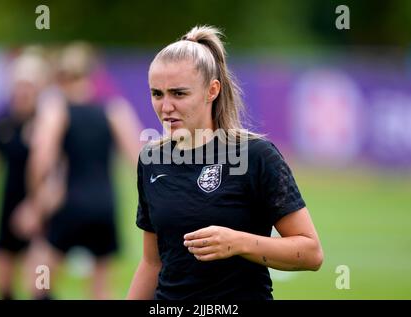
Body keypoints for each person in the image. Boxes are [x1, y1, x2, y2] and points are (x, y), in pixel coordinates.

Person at [127, 25, 323, 300]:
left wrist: (238, 242)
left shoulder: (256, 155)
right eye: (157, 94)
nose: (165, 106)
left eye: (179, 93)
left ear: (212, 90)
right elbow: (152, 263)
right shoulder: (152, 159)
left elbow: (311, 253)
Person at [17, 42, 143, 299]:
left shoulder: (56, 110)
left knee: (39, 280)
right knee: (100, 289)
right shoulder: (113, 110)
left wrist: (35, 203)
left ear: (60, 76)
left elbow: (41, 158)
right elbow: (139, 159)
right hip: (104, 205)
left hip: (68, 204)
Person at [0, 49, 50, 299]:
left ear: (40, 86)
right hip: (8, 207)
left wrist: (36, 206)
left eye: (28, 85)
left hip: (41, 211)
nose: (22, 91)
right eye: (18, 84)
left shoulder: (49, 121)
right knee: (3, 285)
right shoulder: (1, 123)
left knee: (38, 286)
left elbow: (60, 170)